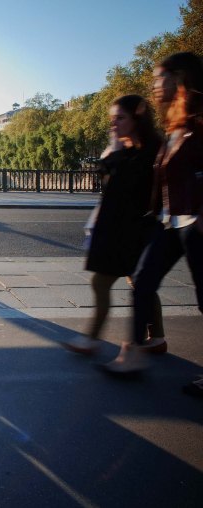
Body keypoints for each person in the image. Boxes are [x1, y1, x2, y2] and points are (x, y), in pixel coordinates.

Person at [101, 52, 203, 383]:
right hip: (171, 221)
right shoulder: (176, 124)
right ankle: (131, 354)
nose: (155, 86)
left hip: (196, 221)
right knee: (142, 281)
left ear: (180, 79)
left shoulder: (199, 121)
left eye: (159, 78)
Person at [63, 95, 165, 355]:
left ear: (136, 120)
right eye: (112, 119)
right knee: (137, 284)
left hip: (131, 231)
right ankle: (156, 337)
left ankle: (93, 339)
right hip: (119, 229)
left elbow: (128, 187)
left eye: (120, 118)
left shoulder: (148, 151)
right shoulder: (128, 149)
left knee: (104, 283)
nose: (113, 124)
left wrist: (115, 154)